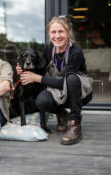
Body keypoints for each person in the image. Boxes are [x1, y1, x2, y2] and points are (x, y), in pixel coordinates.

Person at [16, 16, 92, 145]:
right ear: (49, 34)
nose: (57, 36)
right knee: (41, 101)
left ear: (68, 32)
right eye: (53, 32)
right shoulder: (48, 48)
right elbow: (40, 67)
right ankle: (61, 112)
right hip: (57, 91)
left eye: (61, 31)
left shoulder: (76, 52)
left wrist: (37, 78)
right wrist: (22, 70)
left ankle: (75, 125)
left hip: (78, 93)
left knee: (71, 79)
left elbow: (64, 82)